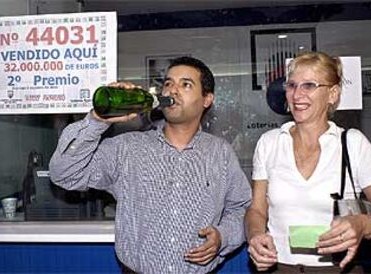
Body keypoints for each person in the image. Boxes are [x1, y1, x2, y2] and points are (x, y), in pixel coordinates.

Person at [49, 56, 251, 274]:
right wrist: (98, 120)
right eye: (168, 83)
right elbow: (64, 174)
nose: (172, 91)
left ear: (206, 99)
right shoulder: (128, 148)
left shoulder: (220, 153)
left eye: (185, 84)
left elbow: (241, 207)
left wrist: (223, 236)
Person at [245, 51, 371, 273]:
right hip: (279, 267)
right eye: (291, 85)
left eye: (309, 85)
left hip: (339, 268)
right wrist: (256, 236)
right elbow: (257, 210)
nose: (297, 94)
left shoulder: (353, 143)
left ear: (333, 94)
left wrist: (363, 224)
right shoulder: (269, 143)